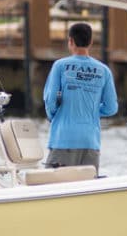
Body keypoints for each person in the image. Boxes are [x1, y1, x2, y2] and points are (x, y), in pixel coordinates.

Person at [43, 21, 118, 174]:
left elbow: (50, 101)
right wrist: (91, 111)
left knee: (50, 189)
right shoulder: (104, 70)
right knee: (87, 192)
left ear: (70, 41)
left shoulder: (60, 66)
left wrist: (53, 116)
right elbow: (111, 108)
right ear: (91, 42)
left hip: (63, 139)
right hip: (90, 142)